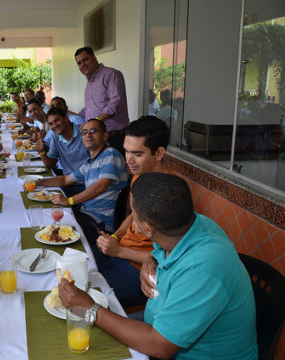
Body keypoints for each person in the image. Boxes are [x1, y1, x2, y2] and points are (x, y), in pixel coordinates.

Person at [59, 172, 258, 360]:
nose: (131, 220)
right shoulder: (191, 224)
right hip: (158, 326)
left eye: (132, 214)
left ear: (146, 228)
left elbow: (160, 346)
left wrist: (90, 309)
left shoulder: (203, 268)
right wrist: (151, 260)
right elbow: (162, 248)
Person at [95, 116, 171, 300]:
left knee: (87, 296)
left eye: (137, 154)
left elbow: (168, 260)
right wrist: (114, 237)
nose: (128, 160)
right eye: (126, 151)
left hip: (140, 271)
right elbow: (133, 215)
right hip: (120, 253)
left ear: (159, 153)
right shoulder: (139, 176)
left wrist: (119, 251)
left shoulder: (172, 195)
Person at [36, 119, 128, 233]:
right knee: (45, 220)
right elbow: (65, 180)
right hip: (86, 214)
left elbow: (102, 185)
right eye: (84, 132)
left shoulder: (110, 154)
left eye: (93, 131)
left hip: (100, 222)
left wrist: (68, 200)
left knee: (53, 230)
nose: (88, 135)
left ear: (105, 136)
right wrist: (39, 182)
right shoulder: (90, 163)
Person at [75, 47, 129, 152]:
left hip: (113, 137)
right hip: (96, 137)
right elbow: (90, 108)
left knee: (113, 168)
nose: (83, 64)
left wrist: (95, 121)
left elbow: (114, 103)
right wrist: (72, 117)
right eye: (79, 63)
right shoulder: (89, 82)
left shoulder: (111, 74)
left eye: (85, 59)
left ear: (94, 58)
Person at [36, 107, 89, 196]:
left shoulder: (84, 133)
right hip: (68, 183)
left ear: (66, 118)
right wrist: (41, 151)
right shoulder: (55, 137)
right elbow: (50, 165)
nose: (54, 125)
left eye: (57, 121)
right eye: (51, 124)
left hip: (87, 184)